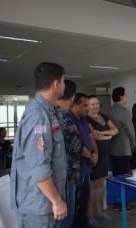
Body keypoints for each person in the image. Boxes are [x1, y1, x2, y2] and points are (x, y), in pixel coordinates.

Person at [10, 62, 67, 228]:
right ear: (56, 84)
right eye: (63, 81)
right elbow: (38, 166)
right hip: (39, 205)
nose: (64, 85)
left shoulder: (49, 112)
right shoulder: (38, 116)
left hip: (45, 202)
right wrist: (56, 200)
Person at [67, 93, 98, 228]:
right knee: (74, 203)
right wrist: (90, 156)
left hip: (86, 168)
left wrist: (96, 153)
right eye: (84, 105)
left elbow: (91, 138)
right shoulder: (68, 120)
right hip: (75, 170)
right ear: (74, 104)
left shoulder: (84, 120)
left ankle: (83, 223)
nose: (88, 108)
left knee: (84, 199)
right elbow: (76, 143)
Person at [86, 95, 118, 225]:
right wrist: (107, 134)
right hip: (95, 155)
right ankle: (90, 215)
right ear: (87, 105)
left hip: (105, 155)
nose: (95, 106)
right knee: (93, 186)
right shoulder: (86, 119)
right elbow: (92, 136)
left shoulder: (103, 116)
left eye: (97, 103)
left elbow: (116, 130)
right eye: (92, 104)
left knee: (100, 185)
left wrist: (103, 133)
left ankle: (99, 211)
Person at [56, 80, 83, 228]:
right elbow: (76, 145)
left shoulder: (50, 114)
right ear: (72, 98)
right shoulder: (64, 118)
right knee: (66, 217)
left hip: (55, 175)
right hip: (67, 174)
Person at [107, 87, 135, 210]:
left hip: (112, 148)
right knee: (124, 177)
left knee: (116, 176)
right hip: (123, 148)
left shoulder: (110, 110)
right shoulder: (124, 111)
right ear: (121, 96)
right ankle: (123, 203)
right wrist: (134, 145)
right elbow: (130, 130)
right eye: (125, 95)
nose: (126, 97)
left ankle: (116, 202)